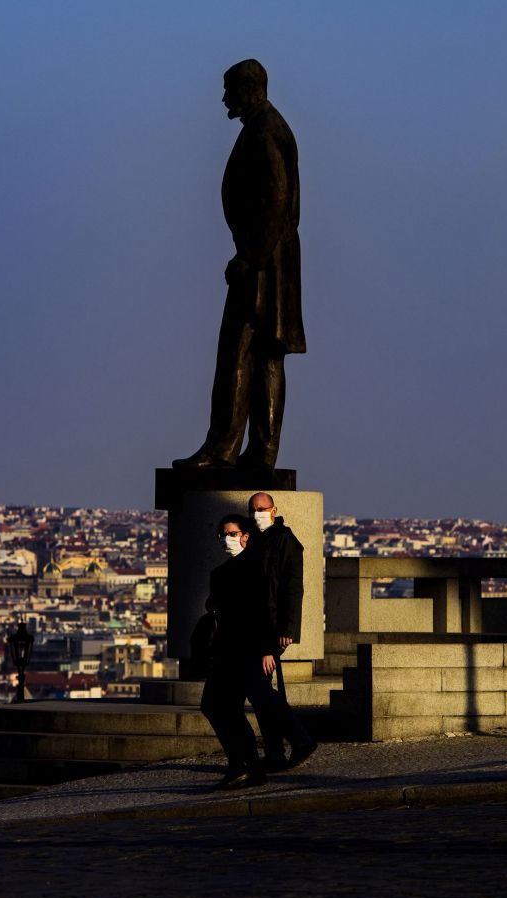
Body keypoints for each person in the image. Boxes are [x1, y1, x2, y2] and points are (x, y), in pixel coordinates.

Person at [174, 59, 303, 470]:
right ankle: (260, 453)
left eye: (229, 89)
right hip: (271, 261)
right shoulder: (268, 127)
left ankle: (223, 449)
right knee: (265, 353)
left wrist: (248, 258)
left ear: (249, 89)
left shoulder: (265, 131)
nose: (224, 98)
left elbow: (276, 201)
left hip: (262, 264)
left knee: (239, 351)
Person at [199, 514, 275, 789]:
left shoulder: (257, 568)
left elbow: (265, 611)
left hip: (248, 651)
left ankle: (243, 765)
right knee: (218, 706)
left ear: (246, 536)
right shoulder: (220, 573)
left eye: (232, 533)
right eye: (223, 533)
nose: (226, 538)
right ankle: (247, 765)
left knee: (222, 706)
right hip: (225, 650)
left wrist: (268, 650)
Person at [247, 491, 315, 770]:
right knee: (261, 690)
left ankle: (297, 740)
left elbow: (293, 588)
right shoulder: (252, 539)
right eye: (253, 509)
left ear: (274, 510)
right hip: (254, 625)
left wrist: (288, 628)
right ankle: (276, 751)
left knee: (260, 689)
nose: (257, 513)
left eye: (262, 509)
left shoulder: (285, 540)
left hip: (273, 628)